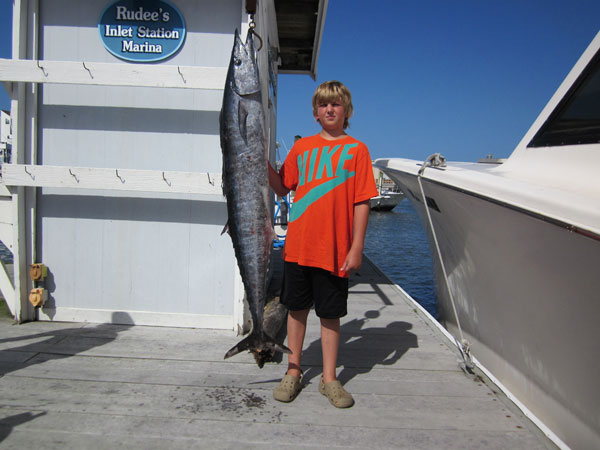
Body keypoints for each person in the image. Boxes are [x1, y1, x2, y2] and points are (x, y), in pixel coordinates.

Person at [268, 80, 378, 408]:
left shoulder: (357, 150)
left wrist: (356, 246)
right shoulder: (301, 149)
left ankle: (330, 378)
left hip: (335, 250)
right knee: (296, 310)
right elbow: (281, 188)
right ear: (315, 113)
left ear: (347, 112)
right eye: (323, 105)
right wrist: (260, 162)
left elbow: (362, 202)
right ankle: (293, 370)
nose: (330, 109)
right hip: (299, 246)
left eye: (336, 104)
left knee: (330, 314)